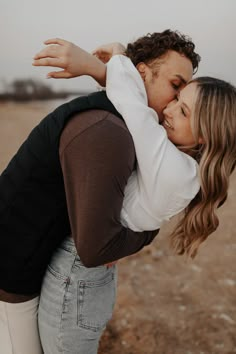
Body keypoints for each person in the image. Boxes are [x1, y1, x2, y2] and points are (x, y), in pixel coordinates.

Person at [32, 35, 236, 354]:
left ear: (206, 135)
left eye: (182, 111)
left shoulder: (173, 169)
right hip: (93, 269)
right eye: (176, 97)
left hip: (78, 269)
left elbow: (133, 107)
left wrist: (116, 59)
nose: (167, 108)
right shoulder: (185, 168)